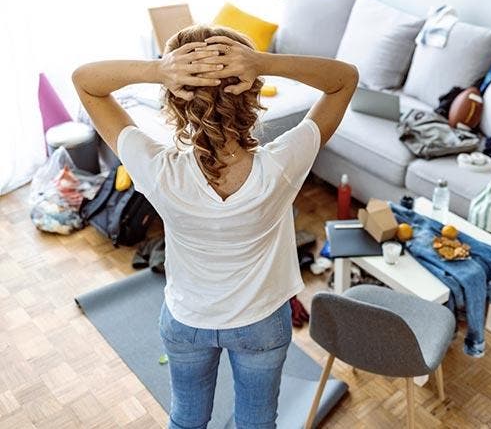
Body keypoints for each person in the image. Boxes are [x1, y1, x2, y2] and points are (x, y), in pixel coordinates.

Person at [72, 24, 358, 428]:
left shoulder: (157, 169)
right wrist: (264, 62)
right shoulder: (283, 163)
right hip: (261, 323)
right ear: (252, 92)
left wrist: (160, 70)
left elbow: (85, 82)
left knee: (187, 419)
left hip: (187, 321)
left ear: (175, 100)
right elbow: (344, 79)